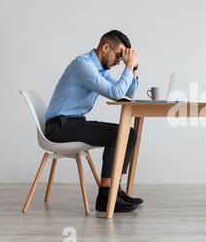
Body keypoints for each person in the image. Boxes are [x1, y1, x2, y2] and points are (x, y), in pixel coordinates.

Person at [44, 30, 142, 213]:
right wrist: (127, 69)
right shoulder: (84, 65)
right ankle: (105, 196)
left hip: (73, 123)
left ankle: (114, 190)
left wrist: (133, 70)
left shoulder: (99, 70)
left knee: (129, 133)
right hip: (59, 127)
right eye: (119, 56)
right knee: (121, 134)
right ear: (106, 47)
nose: (119, 62)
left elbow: (125, 95)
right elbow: (115, 93)